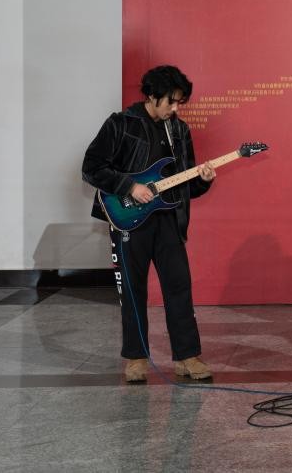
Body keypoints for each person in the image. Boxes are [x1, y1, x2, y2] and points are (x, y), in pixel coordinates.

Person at [82, 65, 217, 384]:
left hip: (169, 219)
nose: (175, 108)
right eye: (171, 101)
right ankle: (136, 358)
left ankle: (187, 356)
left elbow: (187, 185)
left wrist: (203, 179)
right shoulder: (120, 124)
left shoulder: (179, 130)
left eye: (180, 102)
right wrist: (130, 186)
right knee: (133, 290)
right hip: (128, 220)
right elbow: (91, 167)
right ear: (152, 96)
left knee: (179, 286)